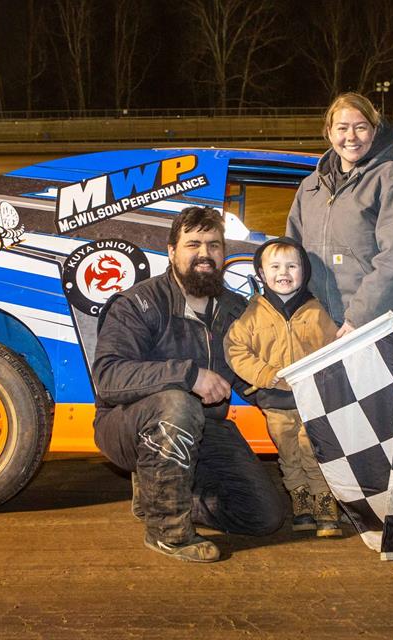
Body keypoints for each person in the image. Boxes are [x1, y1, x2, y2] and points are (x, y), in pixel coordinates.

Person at [91, 206, 285, 563]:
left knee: (264, 516)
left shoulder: (235, 309)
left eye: (214, 245)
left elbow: (248, 374)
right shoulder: (139, 303)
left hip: (204, 427)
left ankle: (159, 495)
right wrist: (189, 375)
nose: (204, 254)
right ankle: (169, 532)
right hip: (128, 426)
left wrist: (291, 392)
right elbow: (108, 377)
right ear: (171, 251)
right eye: (193, 244)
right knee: (177, 403)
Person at [286, 92, 393, 368]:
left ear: (374, 131)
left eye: (360, 127)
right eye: (342, 128)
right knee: (329, 411)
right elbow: (293, 253)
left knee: (378, 413)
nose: (351, 137)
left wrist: (357, 319)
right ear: (329, 132)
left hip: (379, 323)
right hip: (326, 324)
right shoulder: (310, 187)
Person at [224, 237, 342, 537]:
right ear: (262, 274)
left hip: (313, 399)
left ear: (304, 272)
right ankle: (300, 500)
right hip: (275, 401)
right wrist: (267, 375)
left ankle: (324, 501)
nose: (283, 272)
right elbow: (236, 351)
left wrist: (324, 376)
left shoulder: (317, 312)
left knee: (314, 450)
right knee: (289, 453)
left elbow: (334, 350)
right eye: (274, 266)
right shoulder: (252, 314)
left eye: (292, 265)